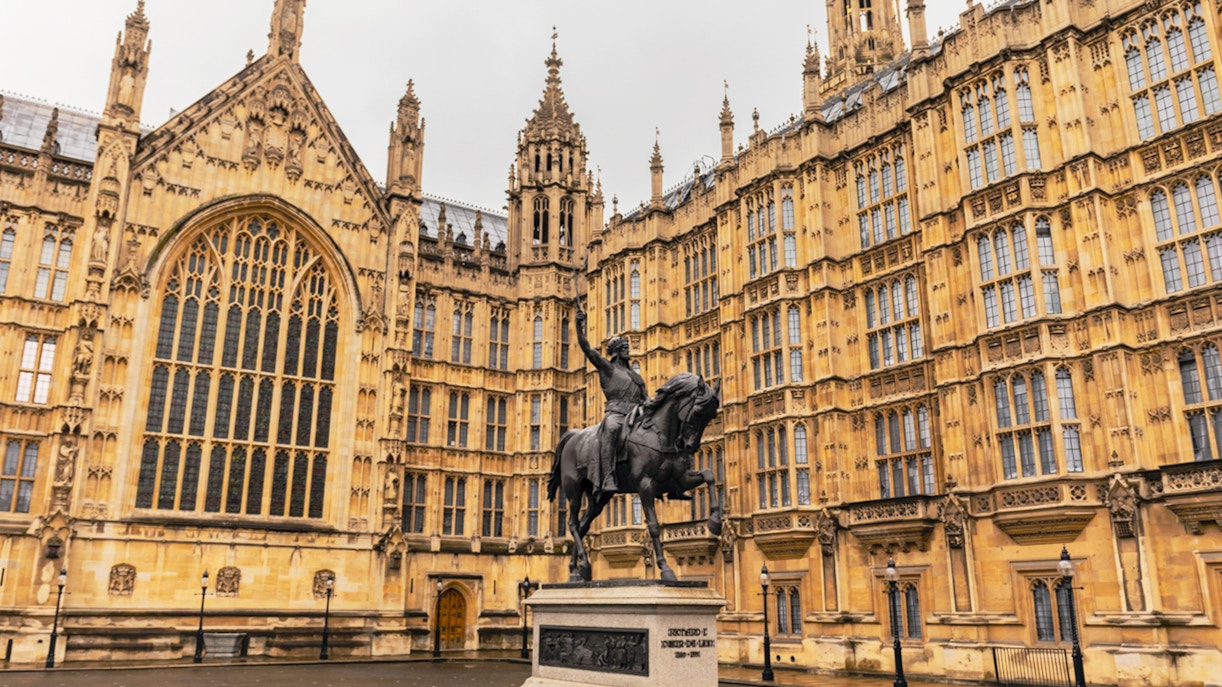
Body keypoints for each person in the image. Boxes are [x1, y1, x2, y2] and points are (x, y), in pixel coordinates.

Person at [574, 305, 647, 497]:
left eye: (627, 348)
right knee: (612, 429)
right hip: (616, 414)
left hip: (635, 415)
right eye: (623, 348)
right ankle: (607, 476)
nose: (627, 350)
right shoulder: (608, 368)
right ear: (616, 351)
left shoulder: (635, 376)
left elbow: (647, 400)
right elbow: (587, 349)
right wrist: (578, 326)